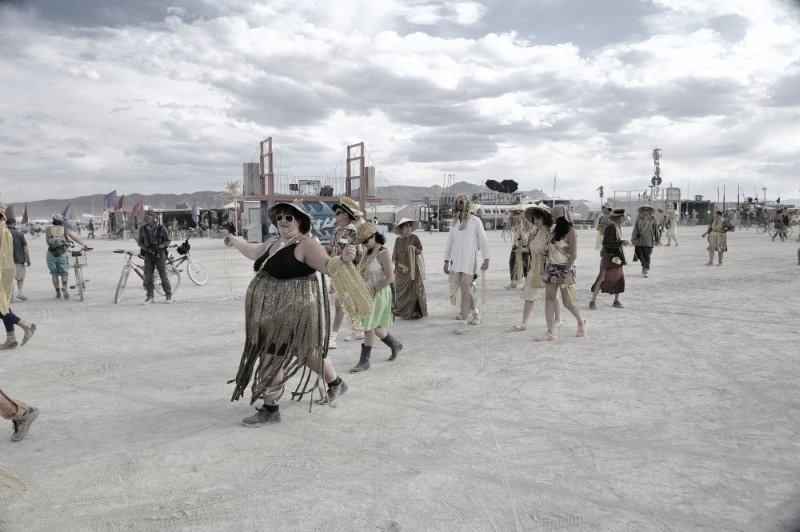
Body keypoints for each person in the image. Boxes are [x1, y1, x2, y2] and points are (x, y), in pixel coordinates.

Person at [224, 200, 368, 426]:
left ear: (300, 221)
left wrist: (345, 259)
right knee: (305, 352)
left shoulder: (307, 244)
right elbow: (253, 253)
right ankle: (336, 383)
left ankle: (271, 410)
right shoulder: (274, 242)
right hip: (271, 312)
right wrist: (234, 240)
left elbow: (329, 265)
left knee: (271, 357)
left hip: (293, 312)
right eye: (279, 217)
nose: (283, 221)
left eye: (288, 217)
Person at [349, 223, 404, 372]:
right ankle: (395, 344)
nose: (364, 245)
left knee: (368, 326)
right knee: (376, 327)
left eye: (366, 241)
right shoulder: (367, 253)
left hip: (379, 293)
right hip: (366, 293)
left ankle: (364, 360)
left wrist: (373, 289)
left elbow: (390, 278)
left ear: (374, 236)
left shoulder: (383, 253)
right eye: (362, 243)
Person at [537, 204, 586, 341]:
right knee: (549, 299)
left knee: (567, 302)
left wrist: (565, 272)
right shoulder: (553, 231)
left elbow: (574, 254)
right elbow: (552, 249)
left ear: (559, 215)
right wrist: (546, 253)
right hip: (552, 268)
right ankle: (550, 332)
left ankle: (581, 322)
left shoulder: (571, 231)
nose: (551, 217)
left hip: (566, 268)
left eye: (553, 214)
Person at [443, 193, 491, 335]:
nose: (460, 204)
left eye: (462, 202)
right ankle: (475, 312)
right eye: (458, 202)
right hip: (457, 260)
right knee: (466, 289)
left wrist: (486, 259)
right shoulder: (454, 223)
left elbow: (483, 240)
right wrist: (446, 260)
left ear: (467, 204)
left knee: (465, 288)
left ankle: (463, 323)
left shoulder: (476, 221)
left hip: (470, 260)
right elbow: (450, 243)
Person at [325, 197, 365, 348]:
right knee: (347, 303)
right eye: (336, 212)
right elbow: (332, 248)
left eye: (338, 212)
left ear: (346, 215)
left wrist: (341, 252)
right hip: (336, 269)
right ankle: (358, 329)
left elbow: (358, 255)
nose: (335, 214)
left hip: (348, 271)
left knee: (339, 304)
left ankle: (332, 338)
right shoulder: (337, 231)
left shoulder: (353, 232)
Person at [514, 204, 560, 331]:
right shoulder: (534, 233)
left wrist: (549, 253)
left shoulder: (550, 235)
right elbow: (531, 249)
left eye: (538, 218)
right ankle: (524, 323)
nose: (535, 221)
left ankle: (558, 319)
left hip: (547, 269)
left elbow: (556, 251)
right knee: (529, 294)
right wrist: (522, 249)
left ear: (544, 219)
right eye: (534, 219)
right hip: (533, 268)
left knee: (552, 296)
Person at [0, 205, 36, 349]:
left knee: (1, 306)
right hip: (8, 269)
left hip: (1, 269)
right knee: (4, 304)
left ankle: (26, 326)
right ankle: (11, 338)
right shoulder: (5, 230)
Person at [589, 208, 630, 309]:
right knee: (602, 277)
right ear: (619, 218)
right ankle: (592, 301)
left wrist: (621, 242)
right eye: (623, 218)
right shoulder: (611, 227)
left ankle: (616, 301)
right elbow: (606, 243)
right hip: (609, 257)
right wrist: (621, 242)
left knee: (619, 278)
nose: (624, 220)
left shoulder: (616, 227)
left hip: (616, 256)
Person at [45, 213, 87, 299]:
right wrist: (84, 244)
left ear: (53, 221)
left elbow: (48, 243)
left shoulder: (48, 229)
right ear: (61, 221)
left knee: (54, 274)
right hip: (63, 254)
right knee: (64, 272)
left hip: (51, 254)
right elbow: (75, 238)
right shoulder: (65, 229)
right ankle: (64, 286)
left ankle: (58, 293)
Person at [392, 218, 427, 320]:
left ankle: (416, 311)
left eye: (409, 226)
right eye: (406, 226)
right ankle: (402, 311)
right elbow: (395, 255)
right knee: (400, 291)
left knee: (415, 290)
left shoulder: (415, 238)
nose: (408, 228)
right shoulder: (398, 240)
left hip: (413, 269)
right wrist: (394, 267)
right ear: (401, 228)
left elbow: (420, 250)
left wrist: (414, 249)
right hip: (401, 269)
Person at [135, 209, 172, 304]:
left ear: (154, 219)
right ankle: (150, 297)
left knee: (163, 276)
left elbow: (167, 241)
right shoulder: (142, 229)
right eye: (145, 217)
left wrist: (159, 247)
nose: (145, 218)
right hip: (148, 255)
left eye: (148, 217)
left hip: (160, 254)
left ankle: (168, 296)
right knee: (147, 277)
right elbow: (141, 242)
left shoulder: (161, 228)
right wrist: (145, 248)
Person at [505, 206, 531, 289]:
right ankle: (513, 282)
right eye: (516, 213)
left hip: (526, 244)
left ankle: (526, 283)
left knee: (526, 263)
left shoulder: (528, 222)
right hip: (516, 244)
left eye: (519, 213)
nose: (517, 215)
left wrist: (526, 244)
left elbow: (529, 233)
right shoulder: (514, 221)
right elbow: (508, 227)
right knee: (512, 261)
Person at [6, 217, 31, 300]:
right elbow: (25, 248)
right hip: (19, 259)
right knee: (20, 278)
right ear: (15, 223)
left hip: (6, 261)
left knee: (9, 279)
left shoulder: (3, 233)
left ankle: (10, 296)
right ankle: (20, 293)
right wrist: (28, 259)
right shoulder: (19, 234)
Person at [631, 205, 658, 278]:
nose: (645, 211)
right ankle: (645, 268)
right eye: (644, 210)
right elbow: (635, 228)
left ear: (649, 211)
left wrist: (657, 239)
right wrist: (633, 238)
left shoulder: (653, 219)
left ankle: (645, 270)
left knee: (647, 255)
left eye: (647, 210)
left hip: (648, 240)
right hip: (639, 240)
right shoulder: (638, 218)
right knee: (640, 255)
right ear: (642, 211)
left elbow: (656, 230)